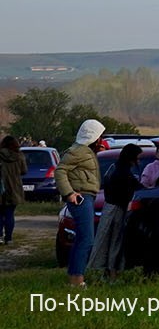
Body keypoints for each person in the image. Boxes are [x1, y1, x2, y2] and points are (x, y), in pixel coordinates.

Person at [56, 119, 105, 287]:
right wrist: (69, 193)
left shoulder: (87, 151)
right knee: (86, 239)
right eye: (100, 136)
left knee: (81, 239)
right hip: (81, 198)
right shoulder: (78, 151)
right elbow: (60, 171)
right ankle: (77, 280)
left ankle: (74, 278)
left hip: (87, 196)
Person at [87, 143, 141, 282]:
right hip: (117, 210)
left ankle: (102, 272)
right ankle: (112, 273)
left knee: (104, 240)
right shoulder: (124, 174)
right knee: (115, 241)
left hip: (109, 208)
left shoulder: (115, 168)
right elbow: (135, 189)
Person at [0, 135, 25, 244]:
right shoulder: (19, 156)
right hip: (14, 187)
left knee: (0, 213)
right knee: (10, 214)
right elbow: (24, 171)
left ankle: (0, 236)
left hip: (1, 187)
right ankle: (9, 238)